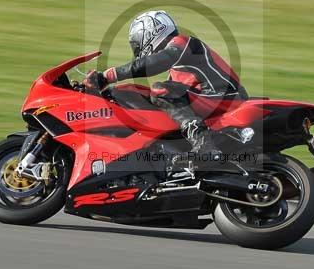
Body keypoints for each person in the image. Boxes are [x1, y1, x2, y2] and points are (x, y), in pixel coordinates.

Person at [85, 10, 247, 160]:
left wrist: (107, 76)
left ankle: (203, 142)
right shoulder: (176, 70)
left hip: (227, 97)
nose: (137, 49)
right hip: (213, 101)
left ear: (150, 33)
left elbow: (153, 63)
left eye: (136, 43)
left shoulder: (184, 42)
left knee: (160, 90)